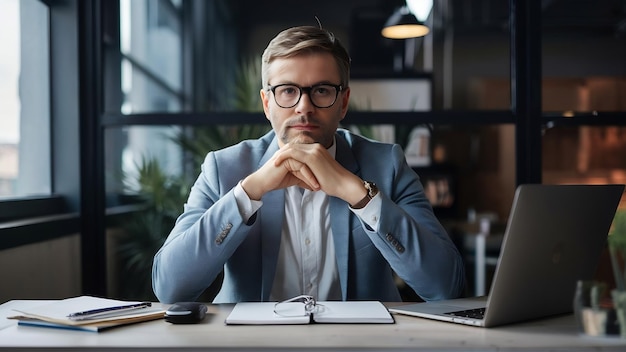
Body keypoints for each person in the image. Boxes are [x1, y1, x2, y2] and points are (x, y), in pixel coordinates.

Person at [152, 25, 465, 304]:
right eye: (288, 90)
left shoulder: (388, 164)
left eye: (321, 91)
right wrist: (250, 192)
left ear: (343, 103)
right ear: (266, 103)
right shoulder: (224, 168)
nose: (304, 107)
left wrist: (359, 194)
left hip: (360, 344)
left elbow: (445, 286)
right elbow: (171, 288)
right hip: (252, 344)